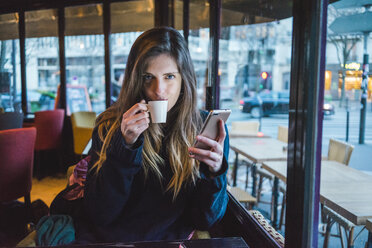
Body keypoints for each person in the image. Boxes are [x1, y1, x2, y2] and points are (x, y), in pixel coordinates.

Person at [75, 26, 230, 243]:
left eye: (169, 77)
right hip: (112, 240)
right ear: (136, 80)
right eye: (148, 77)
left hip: (169, 242)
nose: (159, 90)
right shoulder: (109, 125)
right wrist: (125, 147)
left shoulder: (204, 129)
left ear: (184, 79)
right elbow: (101, 214)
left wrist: (214, 174)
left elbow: (204, 220)